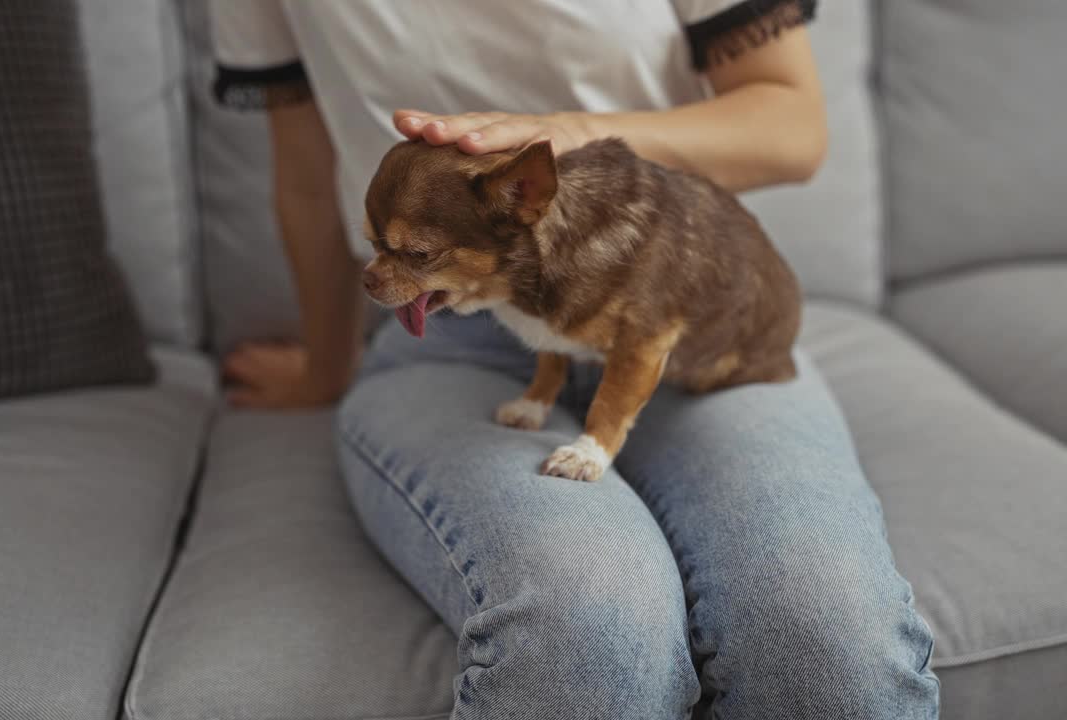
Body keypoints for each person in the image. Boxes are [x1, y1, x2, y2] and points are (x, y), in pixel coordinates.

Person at [212, 1, 940, 718]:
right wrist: (324, 367)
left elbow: (792, 126)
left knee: (830, 641)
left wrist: (572, 136)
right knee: (587, 630)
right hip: (454, 338)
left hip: (683, 319)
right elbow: (308, 178)